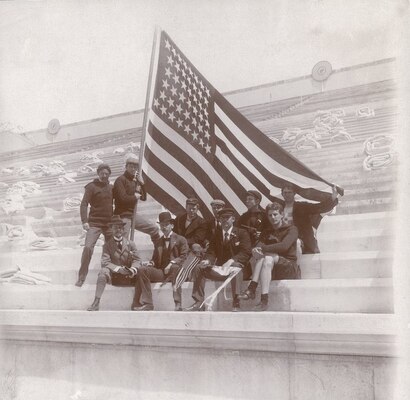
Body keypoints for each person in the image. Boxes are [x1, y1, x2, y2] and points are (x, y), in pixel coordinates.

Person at [184, 208, 252, 312]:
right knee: (199, 268)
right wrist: (208, 261)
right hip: (222, 269)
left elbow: (246, 252)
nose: (224, 220)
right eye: (222, 218)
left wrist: (232, 260)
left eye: (227, 218)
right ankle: (199, 302)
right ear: (219, 220)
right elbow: (211, 252)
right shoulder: (217, 235)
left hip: (239, 269)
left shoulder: (242, 233)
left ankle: (236, 302)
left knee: (236, 268)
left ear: (233, 219)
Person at [238, 202, 299, 311]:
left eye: (275, 214)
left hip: (289, 267)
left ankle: (252, 288)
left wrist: (263, 249)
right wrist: (256, 249)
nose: (273, 217)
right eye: (270, 215)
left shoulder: (291, 229)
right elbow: (258, 246)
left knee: (266, 256)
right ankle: (263, 300)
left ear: (282, 215)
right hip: (269, 268)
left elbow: (284, 246)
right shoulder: (266, 231)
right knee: (266, 258)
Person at [132, 211, 189, 311]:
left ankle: (178, 303)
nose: (164, 227)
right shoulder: (158, 241)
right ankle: (148, 303)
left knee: (175, 268)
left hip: (176, 272)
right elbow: (155, 259)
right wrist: (151, 263)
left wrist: (172, 263)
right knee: (142, 270)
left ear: (172, 225)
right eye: (162, 225)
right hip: (162, 272)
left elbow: (184, 256)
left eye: (166, 225)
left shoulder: (181, 239)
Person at [87, 215, 141, 311]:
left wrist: (132, 269)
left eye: (120, 227)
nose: (118, 230)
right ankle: (96, 301)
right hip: (115, 276)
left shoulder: (130, 243)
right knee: (103, 272)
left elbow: (137, 260)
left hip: (129, 275)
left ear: (123, 229)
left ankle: (136, 302)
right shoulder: (107, 246)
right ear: (111, 229)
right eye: (115, 227)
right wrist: (118, 269)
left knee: (142, 271)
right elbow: (105, 262)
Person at [75, 163, 113, 287]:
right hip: (94, 223)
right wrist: (84, 221)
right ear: (98, 173)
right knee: (87, 248)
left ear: (109, 175)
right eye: (102, 173)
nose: (104, 175)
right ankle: (81, 277)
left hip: (108, 224)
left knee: (112, 249)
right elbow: (84, 204)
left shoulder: (111, 187)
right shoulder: (91, 187)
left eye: (107, 173)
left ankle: (109, 274)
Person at [113, 154, 160, 243]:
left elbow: (143, 198)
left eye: (135, 167)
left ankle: (159, 254)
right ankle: (121, 256)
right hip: (122, 216)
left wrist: (142, 184)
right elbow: (123, 198)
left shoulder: (135, 181)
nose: (133, 169)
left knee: (154, 229)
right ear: (126, 167)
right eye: (131, 166)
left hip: (133, 215)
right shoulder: (120, 180)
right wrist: (135, 197)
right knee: (123, 242)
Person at [280, 183, 338, 253]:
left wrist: (333, 196)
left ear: (294, 193)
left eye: (290, 192)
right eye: (285, 192)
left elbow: (319, 207)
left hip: (301, 240)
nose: (287, 194)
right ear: (282, 194)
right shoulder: (279, 208)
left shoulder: (302, 206)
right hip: (284, 240)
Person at [236, 190, 270, 279]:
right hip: (246, 246)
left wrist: (261, 234)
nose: (247, 201)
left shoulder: (265, 216)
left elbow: (269, 231)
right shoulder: (243, 217)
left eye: (250, 199)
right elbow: (237, 232)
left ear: (257, 201)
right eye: (246, 199)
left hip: (261, 244)